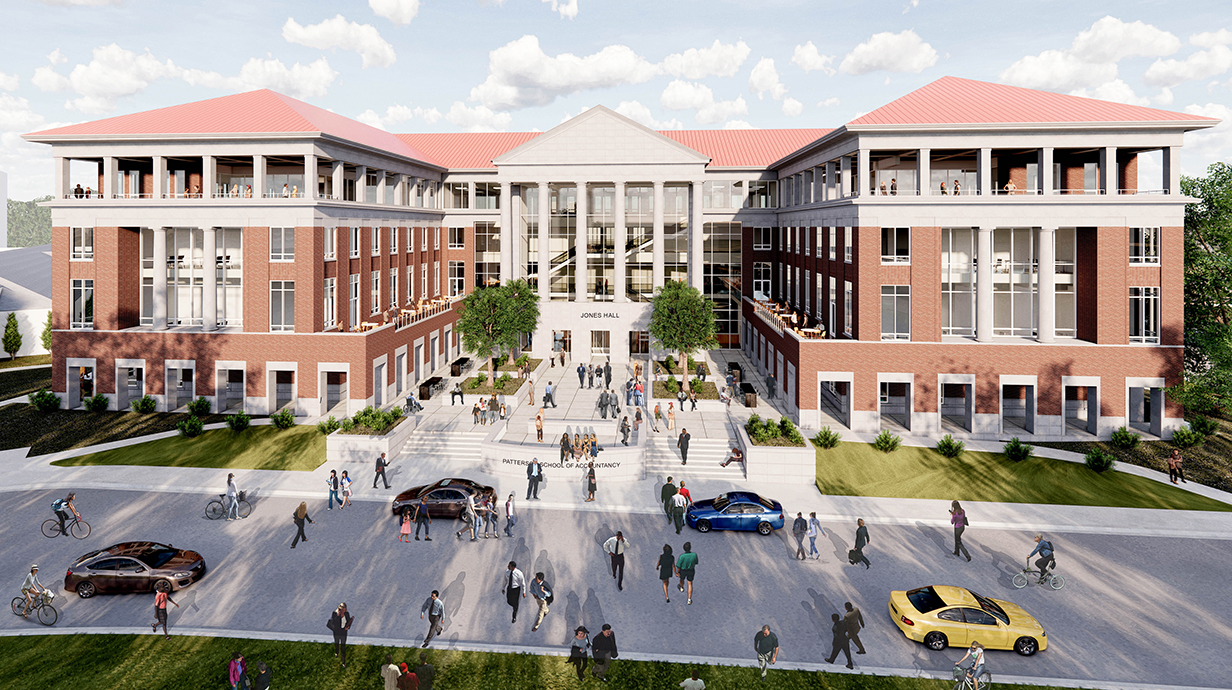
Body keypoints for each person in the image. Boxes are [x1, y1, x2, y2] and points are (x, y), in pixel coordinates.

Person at [328, 602, 353, 667]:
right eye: (342, 609)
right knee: (336, 643)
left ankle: (343, 662)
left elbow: (348, 622)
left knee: (343, 646)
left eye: (344, 609)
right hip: (337, 632)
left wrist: (348, 627)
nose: (343, 611)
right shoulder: (335, 613)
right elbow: (333, 622)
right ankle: (336, 652)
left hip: (343, 632)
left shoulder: (347, 614)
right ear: (339, 608)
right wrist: (338, 615)